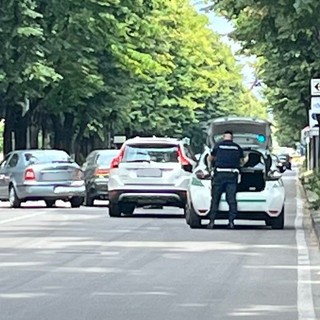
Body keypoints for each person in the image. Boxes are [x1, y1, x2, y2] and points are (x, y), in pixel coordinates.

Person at [207, 131, 245, 229]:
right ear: (232, 138)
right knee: (231, 199)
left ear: (224, 137)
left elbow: (211, 158)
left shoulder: (218, 146)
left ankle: (211, 221)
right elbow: (242, 162)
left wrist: (210, 166)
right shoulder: (237, 147)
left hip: (219, 174)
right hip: (232, 175)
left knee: (215, 198)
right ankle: (231, 222)